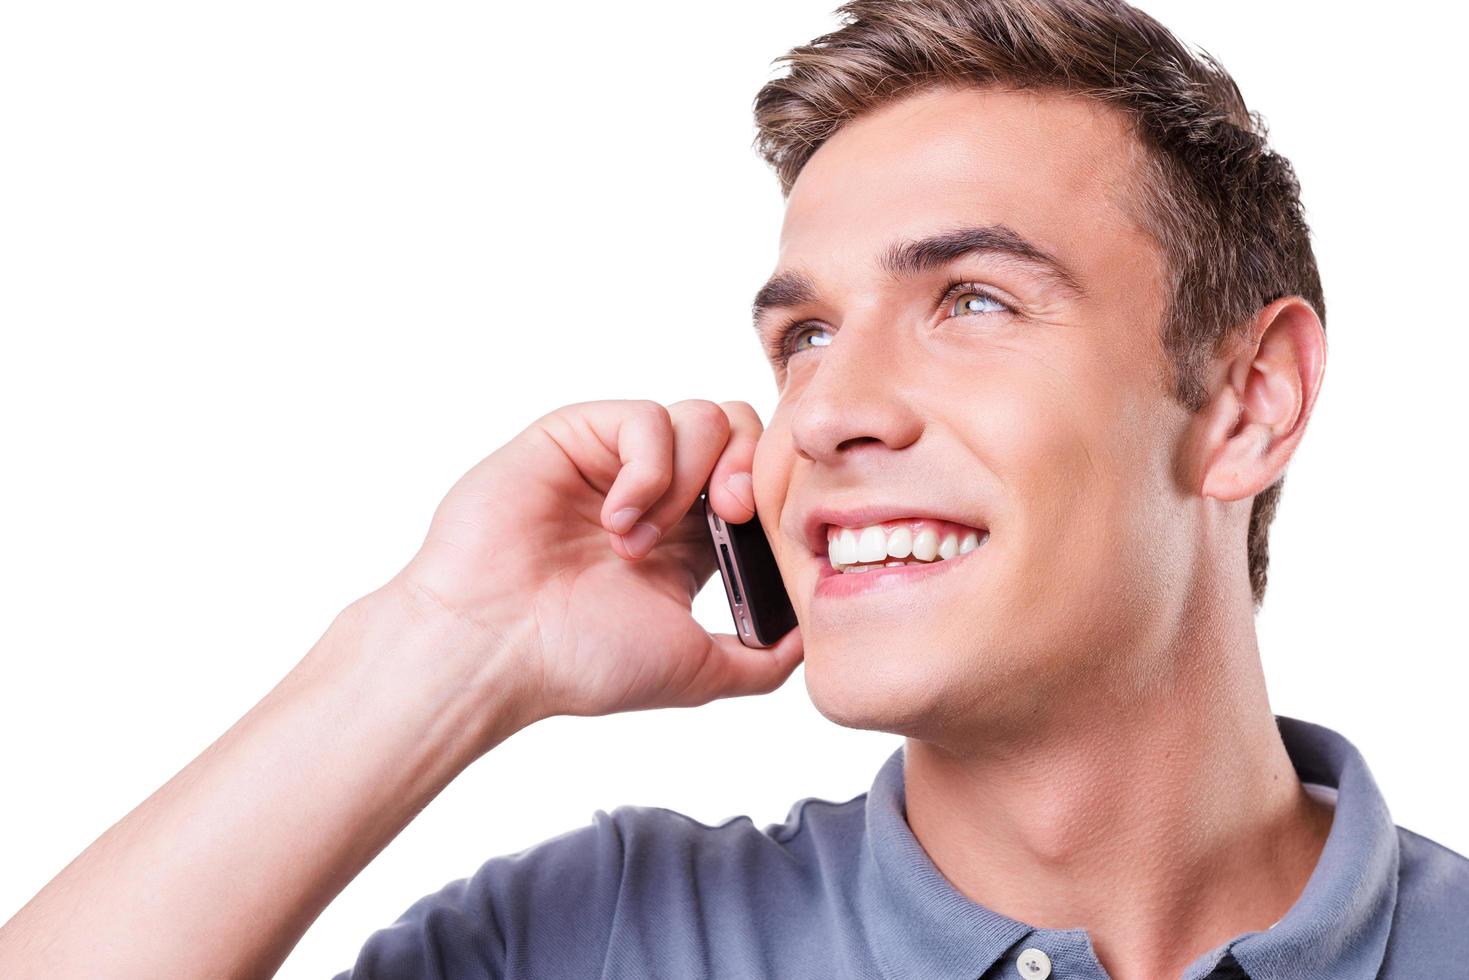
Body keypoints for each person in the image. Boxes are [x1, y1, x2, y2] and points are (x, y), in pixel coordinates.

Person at [2, 0, 1466, 977]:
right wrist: (443, 651)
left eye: (968, 301)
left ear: (1249, 404)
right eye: (803, 336)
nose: (826, 409)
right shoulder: (604, 936)